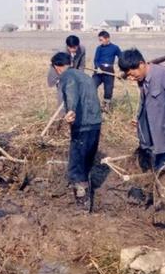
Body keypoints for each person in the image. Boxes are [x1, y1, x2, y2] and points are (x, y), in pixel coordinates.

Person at [50, 52, 102, 205]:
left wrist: (71, 110)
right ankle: (87, 187)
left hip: (82, 124)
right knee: (87, 158)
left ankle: (82, 198)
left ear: (57, 67)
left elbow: (71, 92)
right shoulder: (85, 76)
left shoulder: (67, 77)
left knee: (77, 159)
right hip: (95, 123)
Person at [47, 35, 86, 105]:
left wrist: (79, 76)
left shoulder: (82, 49)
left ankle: (74, 110)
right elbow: (56, 68)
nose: (73, 50)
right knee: (62, 92)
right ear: (67, 46)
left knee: (75, 92)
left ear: (78, 45)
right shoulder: (61, 52)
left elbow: (81, 65)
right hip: (59, 73)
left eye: (75, 47)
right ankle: (62, 113)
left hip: (73, 72)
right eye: (70, 48)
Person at [92, 30, 121, 112]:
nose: (100, 42)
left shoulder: (115, 48)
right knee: (91, 85)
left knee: (108, 89)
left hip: (109, 70)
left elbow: (121, 58)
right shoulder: (99, 48)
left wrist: (120, 70)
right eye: (99, 40)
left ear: (107, 38)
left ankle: (106, 106)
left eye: (101, 40)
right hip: (98, 70)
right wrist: (98, 68)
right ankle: (94, 105)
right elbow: (96, 60)